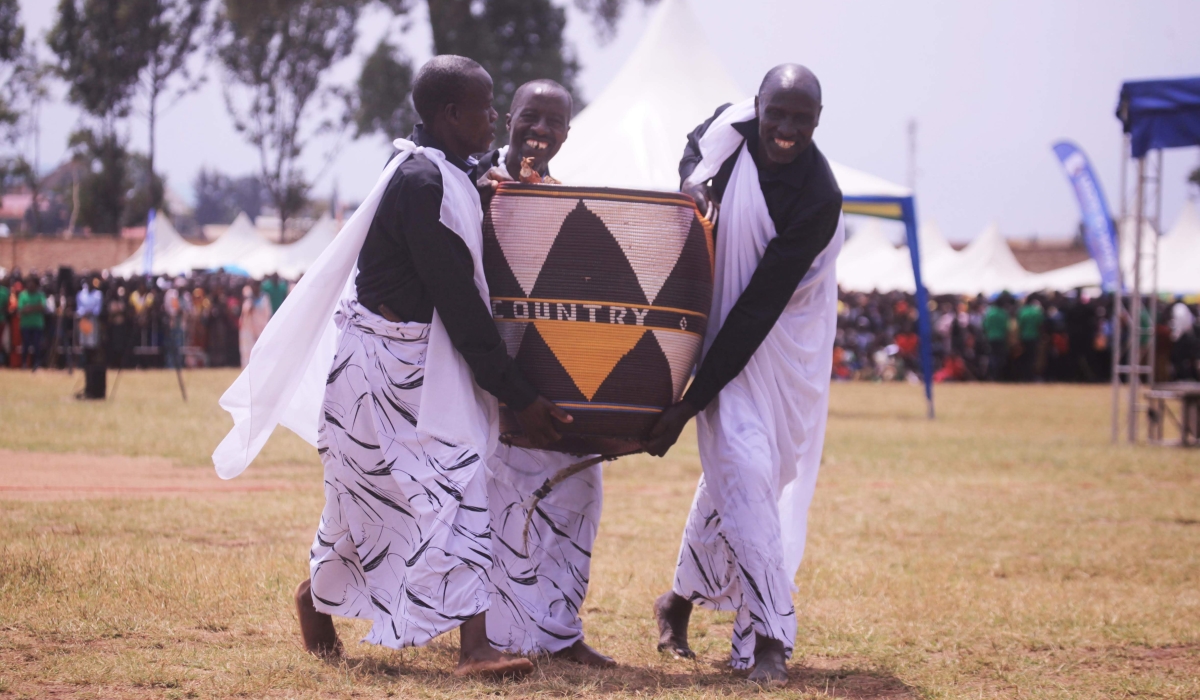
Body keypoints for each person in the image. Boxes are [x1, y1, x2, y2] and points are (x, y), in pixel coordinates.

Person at [292, 56, 570, 678]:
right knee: (454, 484)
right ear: (451, 115)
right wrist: (517, 394)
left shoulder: (438, 173)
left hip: (394, 364)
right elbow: (463, 307)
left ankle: (315, 601)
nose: (494, 116)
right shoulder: (424, 183)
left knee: (377, 499)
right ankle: (475, 650)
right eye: (486, 106)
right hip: (390, 369)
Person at [646, 64, 845, 686]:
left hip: (784, 340)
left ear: (818, 121)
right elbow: (692, 154)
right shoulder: (728, 128)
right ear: (757, 105)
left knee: (746, 475)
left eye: (801, 119)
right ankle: (769, 638)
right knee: (748, 471)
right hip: (722, 332)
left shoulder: (819, 197)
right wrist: (692, 185)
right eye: (777, 114)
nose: (785, 129)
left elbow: (759, 306)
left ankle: (676, 602)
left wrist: (687, 403)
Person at [472, 79, 615, 668]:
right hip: (491, 381)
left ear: (566, 133)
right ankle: (504, 639)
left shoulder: (564, 198)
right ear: (508, 118)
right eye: (531, 117)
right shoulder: (474, 185)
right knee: (502, 509)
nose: (540, 132)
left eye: (553, 123)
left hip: (553, 382)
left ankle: (560, 635)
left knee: (580, 495)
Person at [237, 282, 272, 368]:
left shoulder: (264, 299)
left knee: (261, 352)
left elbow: (268, 314)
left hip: (261, 329)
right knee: (248, 353)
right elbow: (245, 315)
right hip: (249, 330)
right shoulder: (248, 300)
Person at [17, 276, 47, 371]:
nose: (30, 285)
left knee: (37, 345)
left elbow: (42, 307)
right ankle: (24, 363)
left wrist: (29, 308)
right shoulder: (23, 295)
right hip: (25, 325)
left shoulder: (40, 295)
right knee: (25, 345)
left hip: (37, 325)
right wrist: (35, 307)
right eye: (29, 283)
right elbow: (21, 309)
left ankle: (36, 364)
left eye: (32, 283)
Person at [982, 293, 1011, 381]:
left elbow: (984, 326)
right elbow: (1006, 327)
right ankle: (999, 376)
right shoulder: (1003, 313)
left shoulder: (990, 313)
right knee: (1000, 357)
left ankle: (991, 375)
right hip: (1001, 338)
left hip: (991, 337)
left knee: (992, 356)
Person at [1016, 295, 1045, 382]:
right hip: (1034, 337)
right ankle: (1032, 376)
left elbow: (1019, 325)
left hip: (1024, 337)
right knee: (1033, 358)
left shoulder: (1022, 312)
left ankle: (1024, 376)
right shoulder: (1036, 312)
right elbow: (1041, 325)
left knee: (1024, 357)